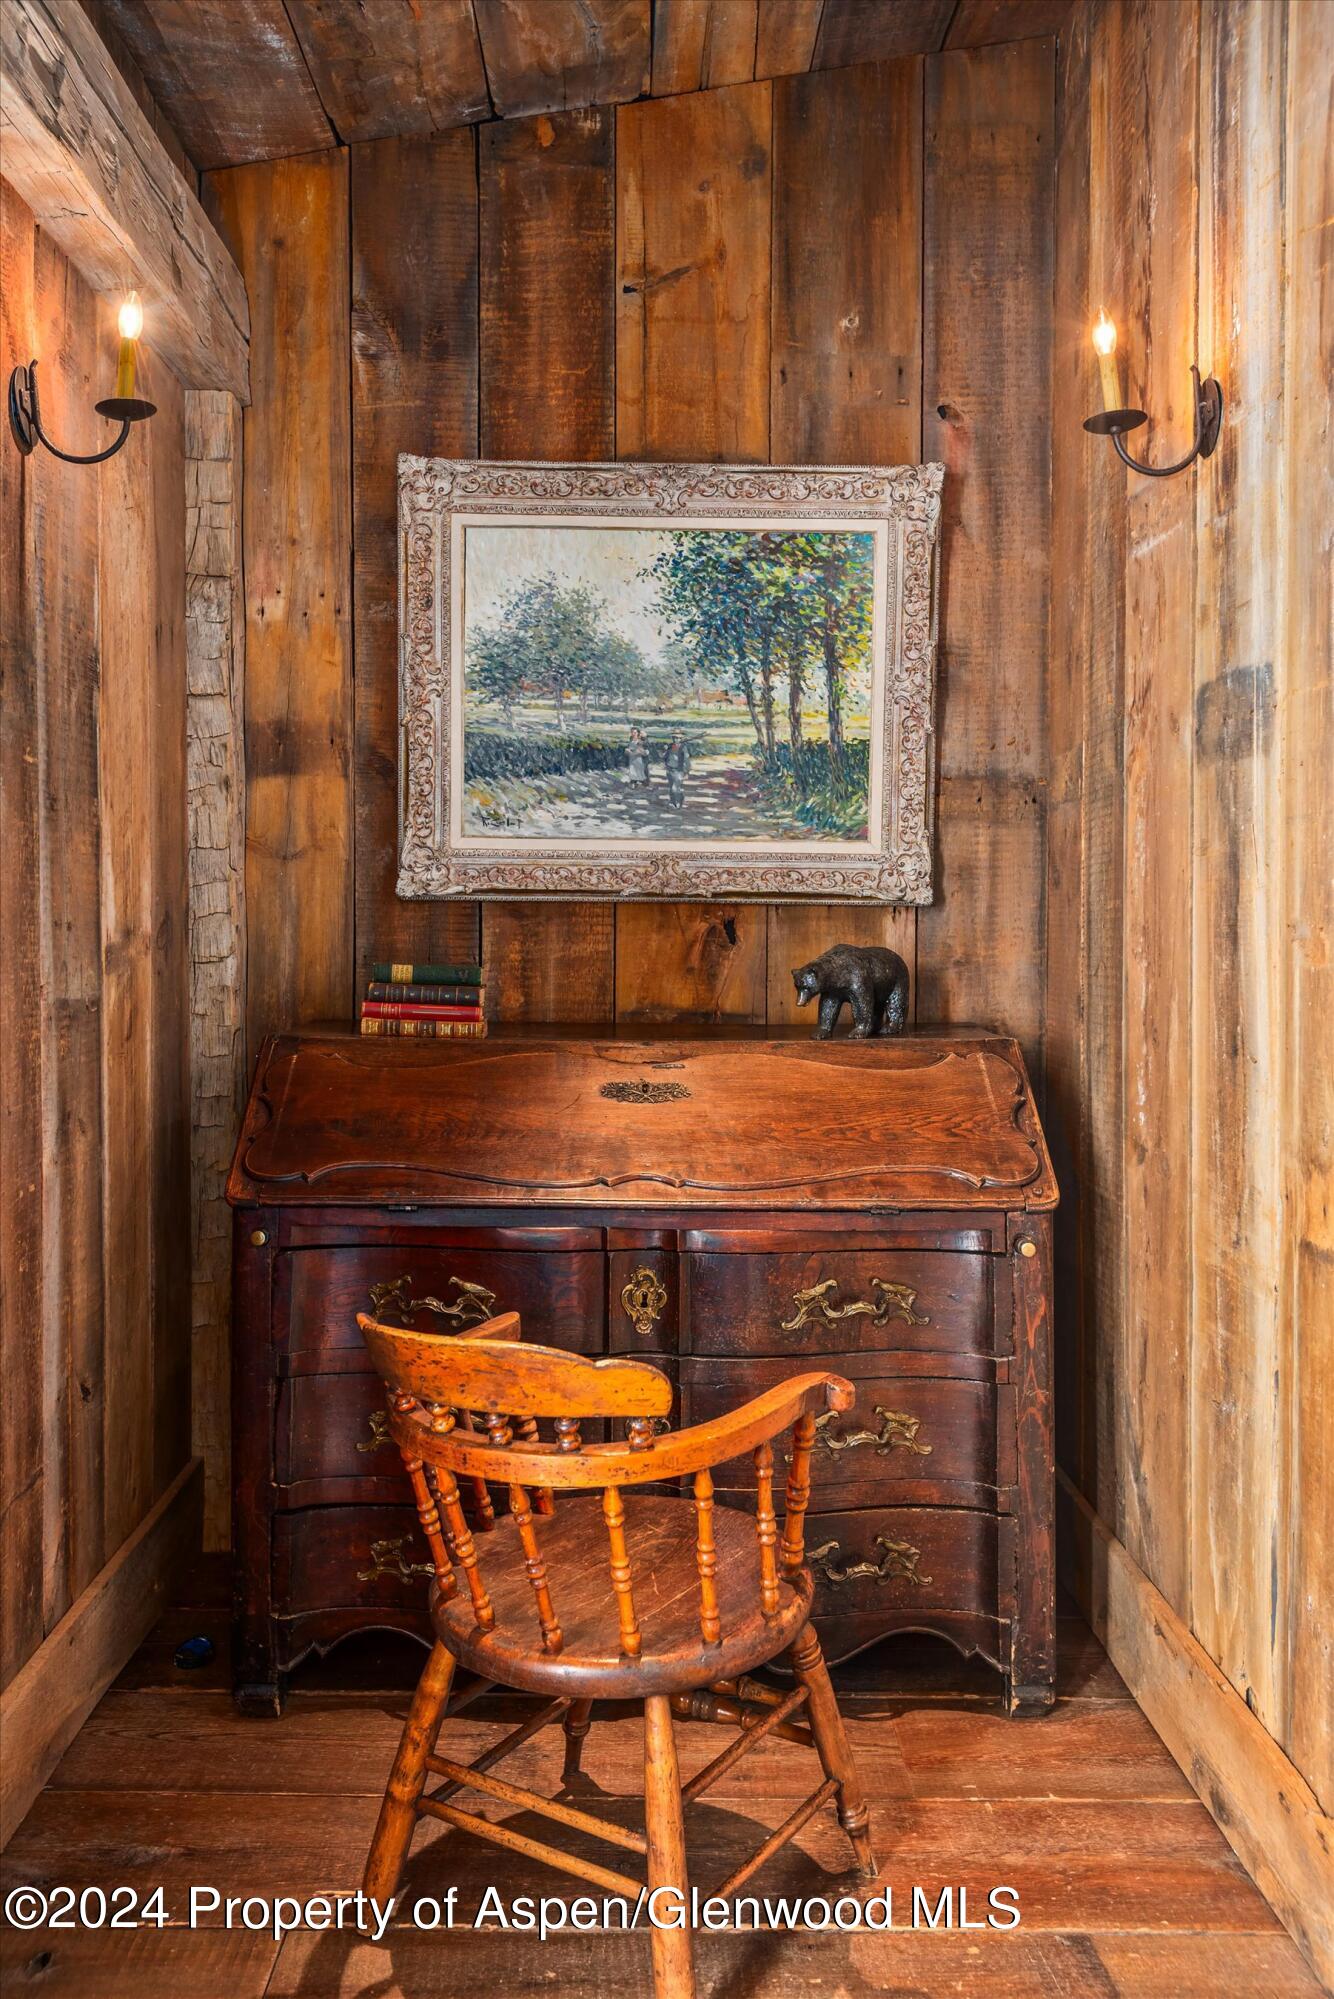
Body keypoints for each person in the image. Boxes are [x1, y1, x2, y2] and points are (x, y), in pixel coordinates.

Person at [664, 733, 691, 809]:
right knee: (671, 788)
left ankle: (678, 802)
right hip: (670, 769)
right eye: (675, 738)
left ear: (681, 739)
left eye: (679, 738)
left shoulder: (683, 747)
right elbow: (665, 756)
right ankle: (673, 802)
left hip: (679, 770)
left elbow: (687, 760)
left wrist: (687, 772)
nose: (677, 739)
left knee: (675, 788)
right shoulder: (670, 746)